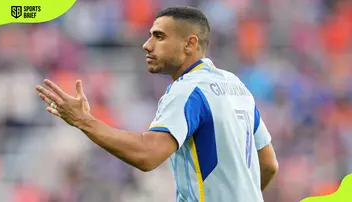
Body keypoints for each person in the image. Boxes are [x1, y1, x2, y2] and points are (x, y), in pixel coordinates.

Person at [36, 5, 278, 202]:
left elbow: (147, 154)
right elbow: (269, 164)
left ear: (190, 44)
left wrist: (83, 120)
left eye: (159, 36)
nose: (147, 44)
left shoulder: (188, 90)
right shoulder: (236, 86)